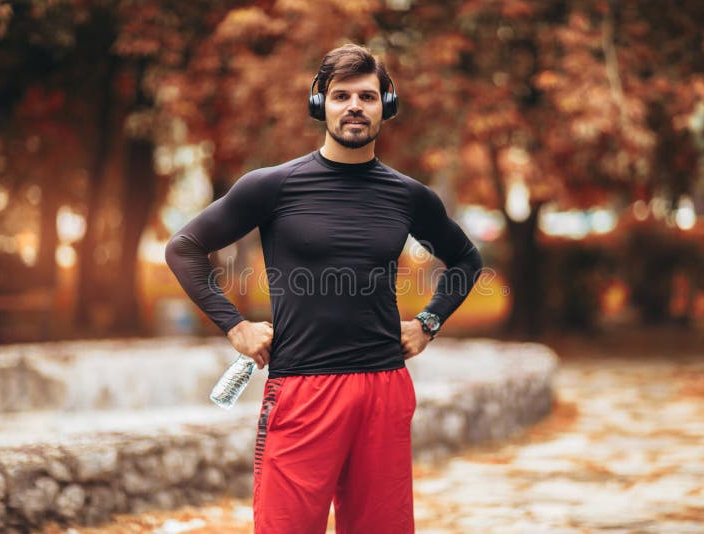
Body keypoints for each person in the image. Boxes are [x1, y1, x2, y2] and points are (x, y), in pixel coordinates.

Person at [165, 43, 482, 534]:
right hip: (302, 387)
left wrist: (429, 323)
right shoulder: (272, 186)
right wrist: (234, 327)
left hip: (383, 386)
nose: (354, 106)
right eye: (341, 96)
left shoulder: (408, 195)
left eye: (367, 96)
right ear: (321, 105)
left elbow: (465, 259)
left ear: (385, 106)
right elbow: (183, 248)